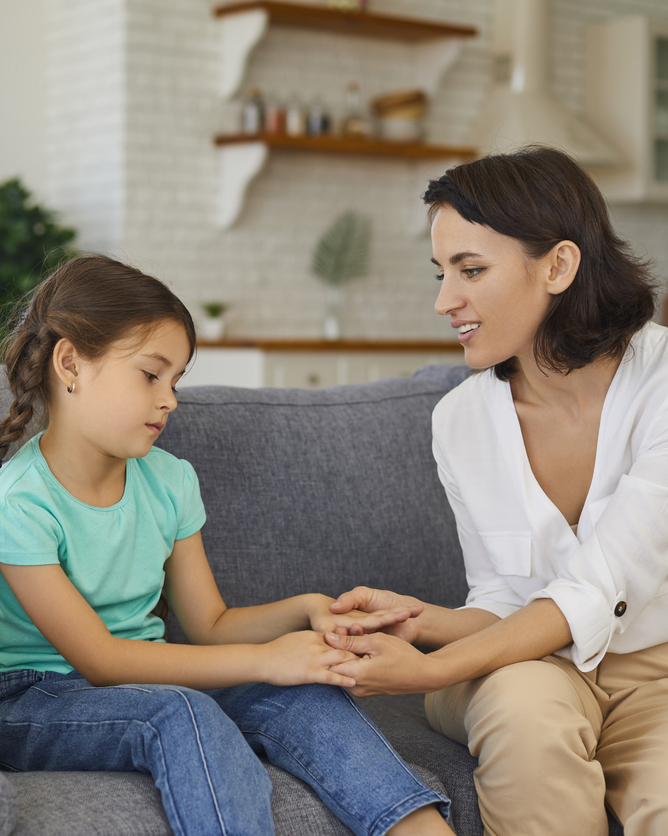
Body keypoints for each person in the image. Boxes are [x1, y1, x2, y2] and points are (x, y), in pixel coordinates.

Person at [0, 255, 453, 836]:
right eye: (150, 374)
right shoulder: (20, 504)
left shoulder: (169, 481)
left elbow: (210, 623)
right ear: (71, 363)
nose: (170, 400)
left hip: (149, 682)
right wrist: (270, 657)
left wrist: (306, 610)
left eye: (176, 380)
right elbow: (102, 660)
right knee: (181, 712)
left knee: (308, 697)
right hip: (34, 700)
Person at [324, 145, 668, 836]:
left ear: (559, 266)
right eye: (442, 271)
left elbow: (595, 591)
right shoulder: (459, 421)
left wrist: (424, 671)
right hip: (523, 667)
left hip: (652, 677)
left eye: (471, 270)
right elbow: (507, 605)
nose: (444, 301)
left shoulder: (661, 386)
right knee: (525, 713)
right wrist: (420, 621)